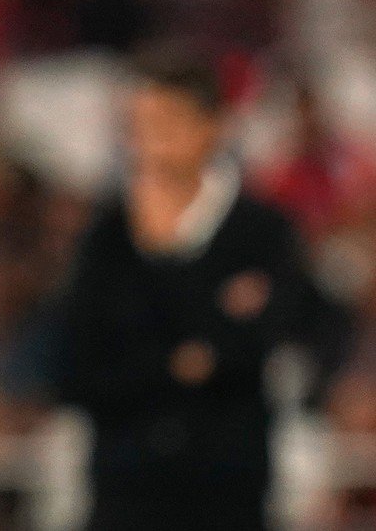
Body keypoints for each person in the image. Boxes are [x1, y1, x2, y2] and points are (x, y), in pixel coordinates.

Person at [49, 48, 351, 531]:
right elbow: (76, 369)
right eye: (138, 125)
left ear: (214, 126)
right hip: (125, 493)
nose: (149, 141)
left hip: (229, 492)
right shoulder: (104, 240)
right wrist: (198, 348)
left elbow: (294, 332)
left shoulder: (262, 232)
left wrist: (173, 357)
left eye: (167, 121)